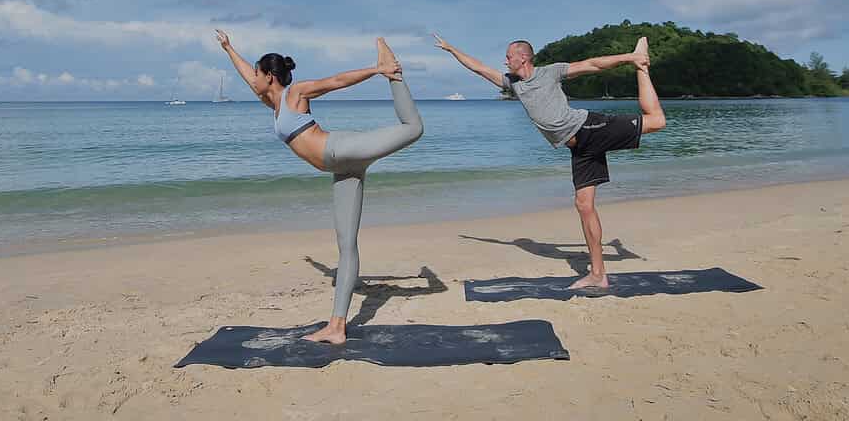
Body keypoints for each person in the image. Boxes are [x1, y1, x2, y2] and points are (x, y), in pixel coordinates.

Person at [216, 29, 423, 343]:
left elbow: (336, 81)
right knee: (346, 245)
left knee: (413, 129)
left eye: (258, 73)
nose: (252, 78)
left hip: (340, 149)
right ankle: (337, 327)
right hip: (341, 170)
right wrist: (229, 48)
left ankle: (392, 70)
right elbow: (248, 76)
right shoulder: (270, 102)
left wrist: (377, 70)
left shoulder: (294, 94)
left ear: (270, 76)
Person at [433, 33, 663, 289]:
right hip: (579, 150)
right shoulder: (513, 84)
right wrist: (451, 49)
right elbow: (478, 68)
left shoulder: (550, 73)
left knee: (656, 121)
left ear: (523, 57)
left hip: (589, 128)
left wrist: (630, 58)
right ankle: (598, 274)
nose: (505, 61)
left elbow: (592, 64)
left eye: (509, 57)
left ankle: (641, 65)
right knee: (584, 205)